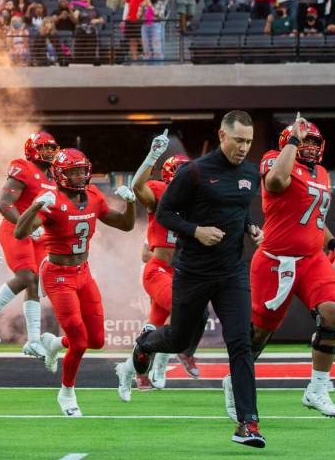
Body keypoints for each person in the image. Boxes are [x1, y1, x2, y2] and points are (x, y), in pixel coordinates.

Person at [126, 111, 265, 448]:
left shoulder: (249, 171)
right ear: (222, 136)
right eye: (239, 140)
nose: (244, 147)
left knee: (241, 344)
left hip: (232, 272)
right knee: (177, 339)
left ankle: (248, 424)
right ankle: (145, 343)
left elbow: (239, 208)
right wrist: (196, 231)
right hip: (194, 271)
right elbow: (164, 214)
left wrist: (249, 227)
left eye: (249, 141)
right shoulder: (195, 172)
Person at [14, 148, 136, 416]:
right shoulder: (53, 200)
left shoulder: (93, 196)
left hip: (83, 272)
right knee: (79, 342)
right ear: (60, 174)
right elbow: (20, 231)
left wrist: (131, 203)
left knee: (97, 340)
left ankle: (54, 344)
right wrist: (36, 204)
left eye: (83, 170)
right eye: (74, 171)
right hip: (58, 275)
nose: (81, 176)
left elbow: (125, 225)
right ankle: (66, 392)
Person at [247, 115, 335, 418]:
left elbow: (313, 215)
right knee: (259, 334)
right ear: (288, 140)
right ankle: (237, 378)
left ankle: (317, 388)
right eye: (305, 140)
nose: (310, 146)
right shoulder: (274, 159)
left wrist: (331, 243)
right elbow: (277, 181)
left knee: (333, 314)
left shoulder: (322, 172)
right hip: (275, 260)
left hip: (311, 259)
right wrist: (292, 140)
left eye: (314, 142)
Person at [117, 133, 206, 400]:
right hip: (158, 270)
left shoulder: (195, 203)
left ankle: (131, 370)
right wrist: (153, 156)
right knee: (187, 308)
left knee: (153, 329)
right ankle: (179, 354)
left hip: (180, 271)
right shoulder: (160, 192)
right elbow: (137, 185)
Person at [0, 132, 59, 357]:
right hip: (16, 229)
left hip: (38, 233)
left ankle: (33, 341)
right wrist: (28, 226)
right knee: (26, 277)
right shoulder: (23, 168)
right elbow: (3, 204)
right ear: (32, 149)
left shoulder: (54, 177)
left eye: (52, 148)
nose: (49, 152)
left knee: (36, 283)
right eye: (44, 147)